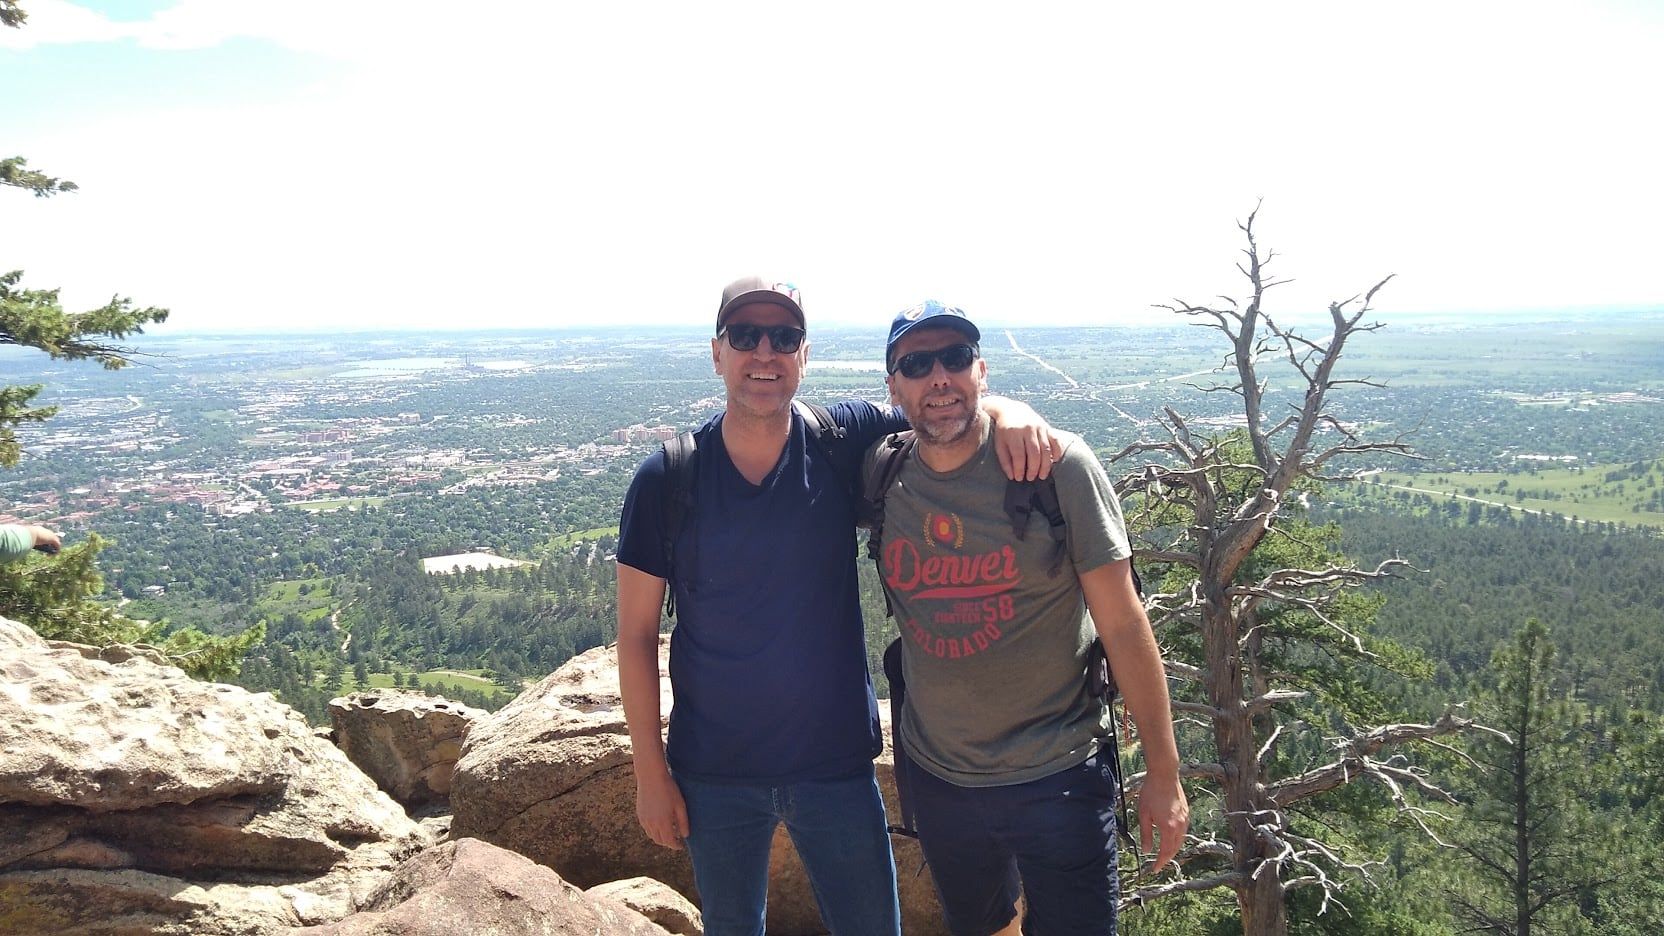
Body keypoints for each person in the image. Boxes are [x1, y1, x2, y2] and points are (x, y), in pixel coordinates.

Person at [615, 277, 1062, 936]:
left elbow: (939, 405)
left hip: (835, 766)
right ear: (718, 353)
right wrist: (650, 775)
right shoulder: (669, 479)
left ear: (804, 354)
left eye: (784, 337)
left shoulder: (836, 441)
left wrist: (1010, 409)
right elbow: (634, 635)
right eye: (746, 336)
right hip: (714, 770)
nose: (764, 352)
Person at [868, 301, 1189, 936]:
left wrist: (1165, 772)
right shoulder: (882, 474)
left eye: (955, 358)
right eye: (917, 363)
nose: (939, 378)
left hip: (1059, 773)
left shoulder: (1056, 469)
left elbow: (1124, 626)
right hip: (940, 777)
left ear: (981, 371)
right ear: (893, 387)